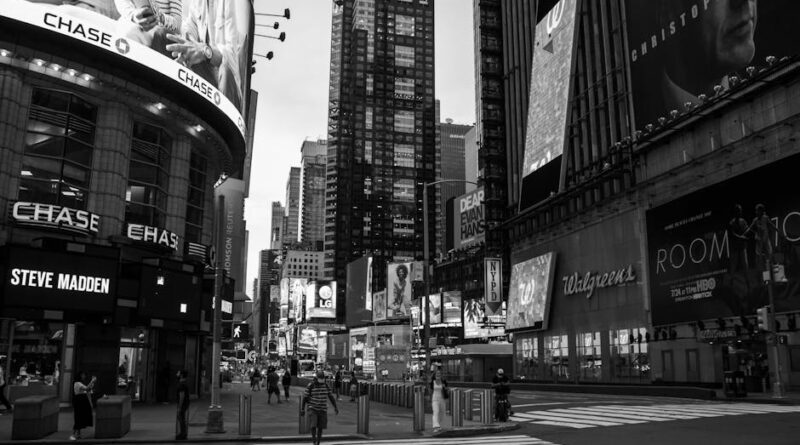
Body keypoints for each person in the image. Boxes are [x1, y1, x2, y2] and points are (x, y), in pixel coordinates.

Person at [166, 0, 251, 110]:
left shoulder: (237, 3)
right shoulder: (197, 2)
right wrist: (188, 44)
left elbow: (232, 55)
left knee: (225, 69)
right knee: (167, 39)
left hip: (228, 81)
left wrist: (205, 51)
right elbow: (190, 25)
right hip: (206, 72)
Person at [114, 0, 182, 56]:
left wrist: (159, 18)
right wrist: (133, 15)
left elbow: (178, 25)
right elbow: (123, 4)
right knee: (128, 30)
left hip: (159, 31)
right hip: (131, 22)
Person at [301, 371, 338, 445]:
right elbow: (305, 397)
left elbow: (331, 397)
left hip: (323, 409)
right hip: (313, 408)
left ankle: (318, 442)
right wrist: (302, 409)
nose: (321, 381)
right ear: (316, 378)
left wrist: (335, 407)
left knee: (321, 427)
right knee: (313, 425)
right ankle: (314, 440)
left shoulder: (326, 385)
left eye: (322, 379)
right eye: (320, 379)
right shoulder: (311, 385)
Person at [70, 372, 96, 440]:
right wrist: (92, 381)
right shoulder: (77, 383)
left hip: (81, 402)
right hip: (80, 402)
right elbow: (87, 388)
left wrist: (92, 383)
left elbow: (88, 389)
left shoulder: (79, 383)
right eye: (82, 375)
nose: (84, 376)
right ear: (79, 376)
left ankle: (78, 434)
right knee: (78, 417)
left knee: (80, 418)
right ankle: (73, 434)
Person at [175, 369, 189, 440]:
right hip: (185, 404)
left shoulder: (181, 384)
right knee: (182, 419)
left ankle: (182, 434)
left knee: (181, 419)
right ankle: (183, 433)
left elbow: (182, 396)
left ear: (181, 375)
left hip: (183, 404)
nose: (177, 374)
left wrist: (180, 407)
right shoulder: (184, 383)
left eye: (178, 373)